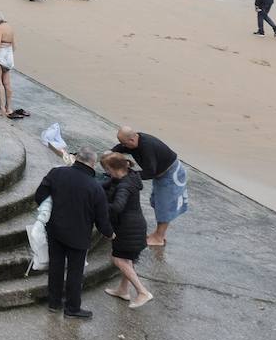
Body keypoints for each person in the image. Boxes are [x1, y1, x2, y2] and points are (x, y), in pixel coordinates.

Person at [34, 147, 113, 320]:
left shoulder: (57, 173)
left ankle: (54, 303)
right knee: (75, 272)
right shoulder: (95, 187)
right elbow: (102, 219)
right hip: (79, 235)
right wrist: (109, 234)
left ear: (76, 158)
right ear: (93, 164)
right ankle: (72, 308)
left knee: (56, 266)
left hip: (55, 229)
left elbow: (40, 195)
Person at [111, 126, 188, 247]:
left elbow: (150, 172)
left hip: (171, 174)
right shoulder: (133, 141)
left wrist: (129, 175)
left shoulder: (147, 147)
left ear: (132, 140)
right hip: (161, 175)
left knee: (165, 205)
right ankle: (158, 233)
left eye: (124, 144)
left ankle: (159, 237)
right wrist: (110, 153)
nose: (123, 146)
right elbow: (120, 147)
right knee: (156, 202)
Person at [101, 153, 154, 308]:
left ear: (112, 168)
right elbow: (102, 186)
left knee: (118, 259)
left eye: (107, 169)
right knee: (127, 259)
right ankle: (123, 290)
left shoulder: (124, 186)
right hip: (134, 226)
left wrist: (98, 205)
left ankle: (143, 292)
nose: (106, 172)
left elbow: (117, 207)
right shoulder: (127, 175)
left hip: (128, 228)